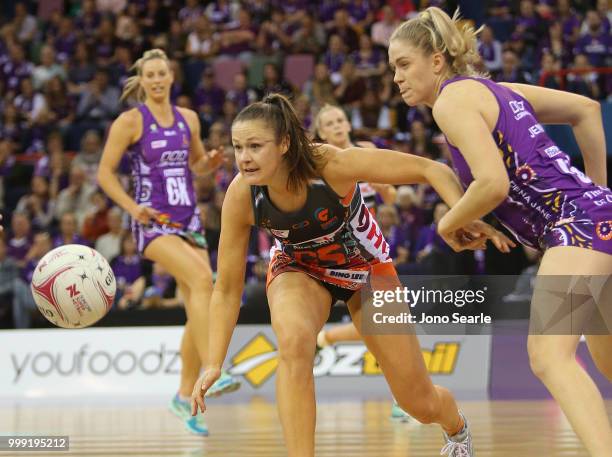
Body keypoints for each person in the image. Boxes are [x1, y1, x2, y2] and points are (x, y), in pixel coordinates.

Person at [191, 93, 514, 457]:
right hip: (299, 268)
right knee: (295, 343)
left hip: (366, 269)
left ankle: (456, 428)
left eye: (254, 146)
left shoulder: (331, 164)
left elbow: (432, 170)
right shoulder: (241, 194)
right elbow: (227, 289)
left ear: (283, 144)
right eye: (237, 147)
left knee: (418, 403)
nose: (244, 157)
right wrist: (214, 362)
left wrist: (461, 215)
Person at [387, 7, 612, 456]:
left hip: (578, 226)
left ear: (436, 61)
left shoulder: (451, 101)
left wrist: (447, 222)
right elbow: (586, 111)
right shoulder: (494, 89)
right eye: (393, 67)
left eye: (403, 64)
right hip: (594, 219)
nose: (396, 77)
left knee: (549, 356)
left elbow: (493, 183)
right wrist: (600, 193)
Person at [97, 48, 240, 437]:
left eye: (163, 73)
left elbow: (194, 165)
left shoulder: (188, 119)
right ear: (142, 81)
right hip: (152, 219)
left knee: (199, 295)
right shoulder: (130, 122)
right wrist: (131, 206)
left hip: (188, 217)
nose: (157, 80)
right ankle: (216, 368)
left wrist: (208, 164)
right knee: (202, 281)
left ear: (171, 77)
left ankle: (182, 394)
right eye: (150, 75)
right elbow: (105, 174)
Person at [314, 103, 410, 420]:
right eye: (330, 122)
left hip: (372, 248)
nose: (338, 125)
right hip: (339, 253)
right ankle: (403, 396)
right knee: (382, 326)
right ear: (321, 132)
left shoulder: (367, 151)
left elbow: (392, 199)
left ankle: (403, 397)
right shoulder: (321, 161)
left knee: (389, 325)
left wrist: (385, 187)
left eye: (341, 119)